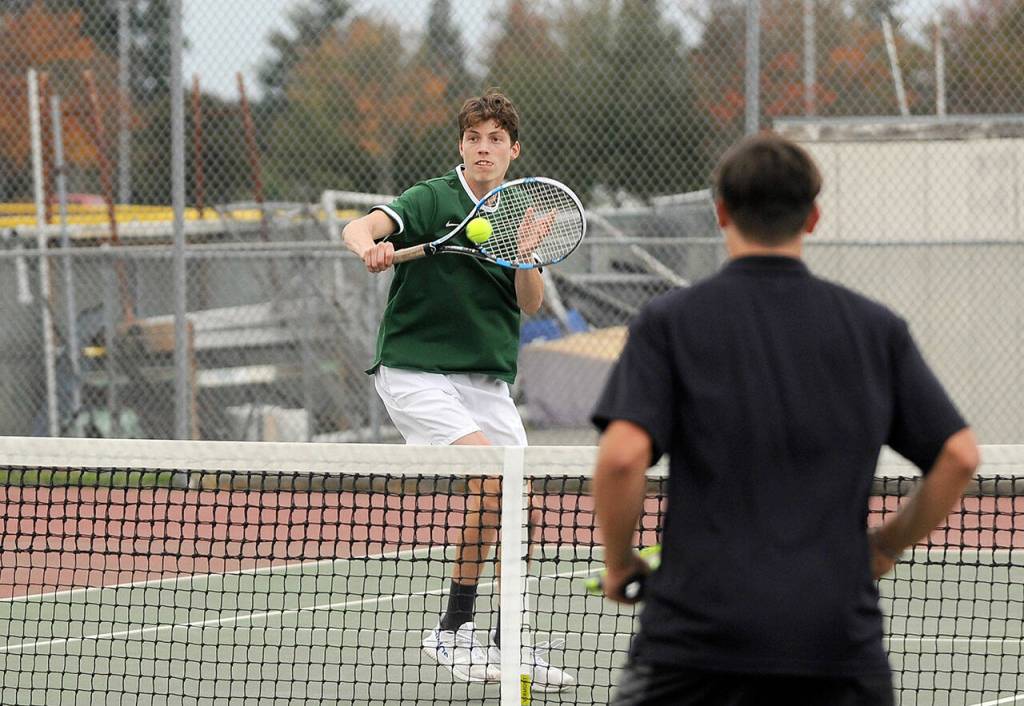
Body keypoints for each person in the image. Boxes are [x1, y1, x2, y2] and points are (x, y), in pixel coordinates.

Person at [591, 131, 980, 705]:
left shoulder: (669, 322)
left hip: (694, 643)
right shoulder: (876, 329)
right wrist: (886, 547)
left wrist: (620, 563)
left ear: (721, 213)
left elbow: (623, 458)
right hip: (837, 645)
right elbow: (960, 455)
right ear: (814, 218)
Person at [342, 89, 574, 692]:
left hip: (486, 380)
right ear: (462, 146)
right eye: (474, 138)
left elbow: (529, 304)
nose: (484, 148)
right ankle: (452, 629)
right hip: (415, 370)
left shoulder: (523, 214)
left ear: (513, 150)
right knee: (490, 479)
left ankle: (508, 639)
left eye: (496, 138)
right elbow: (360, 223)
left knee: (516, 501)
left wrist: (527, 254)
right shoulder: (431, 197)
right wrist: (369, 246)